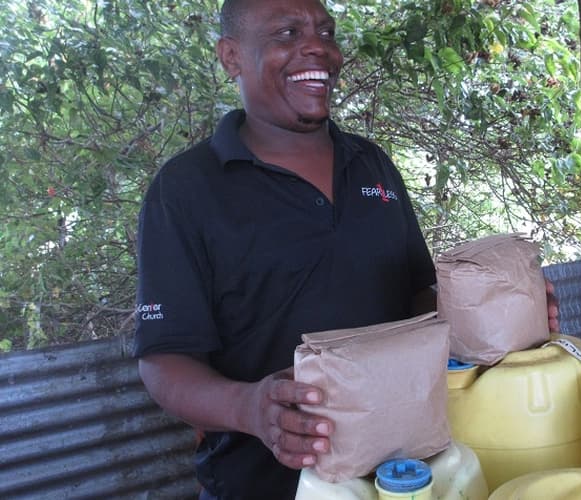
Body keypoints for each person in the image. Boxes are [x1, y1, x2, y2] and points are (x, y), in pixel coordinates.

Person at [133, 0, 559, 498]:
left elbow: (418, 297)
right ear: (231, 57)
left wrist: (496, 311)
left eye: (326, 31)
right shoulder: (186, 189)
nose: (318, 46)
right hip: (263, 485)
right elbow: (163, 362)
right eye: (287, 33)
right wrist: (251, 408)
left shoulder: (371, 164)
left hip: (404, 474)